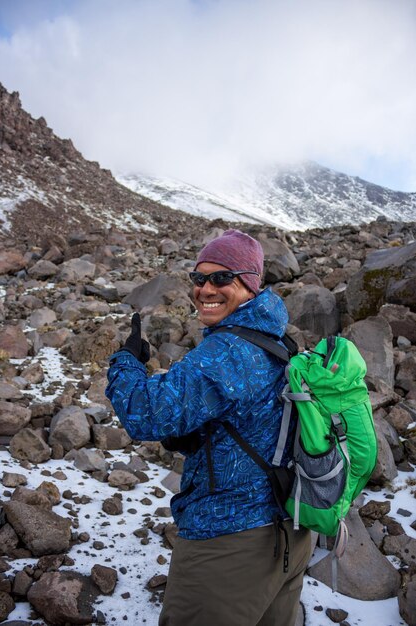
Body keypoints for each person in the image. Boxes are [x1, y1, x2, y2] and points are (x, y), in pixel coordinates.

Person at [105, 229, 311, 626]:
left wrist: (126, 361)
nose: (205, 289)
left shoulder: (228, 351)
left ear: (249, 284)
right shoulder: (276, 338)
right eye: (199, 279)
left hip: (230, 541)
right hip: (289, 531)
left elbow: (144, 414)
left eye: (221, 278)